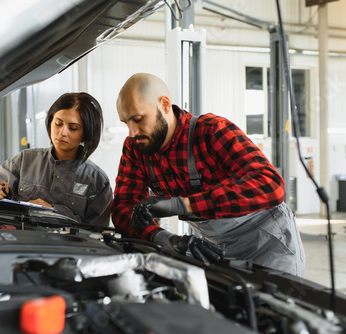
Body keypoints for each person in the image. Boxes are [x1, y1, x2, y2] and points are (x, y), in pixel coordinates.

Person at [111, 73, 305, 277]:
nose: (132, 132)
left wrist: (183, 205)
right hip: (218, 248)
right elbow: (123, 208)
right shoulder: (136, 148)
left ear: (165, 105)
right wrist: (163, 238)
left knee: (274, 306)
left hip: (270, 243)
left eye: (138, 119)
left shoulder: (211, 131)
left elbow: (270, 184)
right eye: (126, 122)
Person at [0, 92, 112, 227]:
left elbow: (97, 233)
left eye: (73, 128)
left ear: (86, 134)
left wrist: (53, 211)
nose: (62, 132)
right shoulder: (23, 161)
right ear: (50, 122)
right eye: (58, 123)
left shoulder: (98, 181)